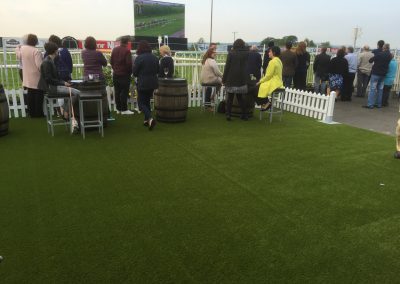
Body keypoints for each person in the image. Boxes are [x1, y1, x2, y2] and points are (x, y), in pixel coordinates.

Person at [38, 42, 80, 132]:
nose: (58, 52)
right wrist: (63, 83)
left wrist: (64, 82)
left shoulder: (50, 60)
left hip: (54, 86)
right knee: (77, 93)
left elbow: (53, 78)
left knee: (74, 93)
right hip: (52, 88)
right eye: (57, 50)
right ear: (55, 51)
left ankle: (65, 111)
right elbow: (48, 79)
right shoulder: (47, 62)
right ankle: (65, 111)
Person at [15, 34, 44, 117]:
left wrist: (18, 47)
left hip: (26, 75)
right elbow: (39, 65)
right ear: (35, 41)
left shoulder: (22, 49)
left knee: (30, 94)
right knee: (39, 95)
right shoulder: (36, 51)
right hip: (36, 76)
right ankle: (38, 113)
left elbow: (18, 55)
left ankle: (32, 113)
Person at [132, 40, 159, 130]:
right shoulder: (155, 58)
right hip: (153, 83)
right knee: (146, 101)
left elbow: (135, 73)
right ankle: (146, 121)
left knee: (141, 104)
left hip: (143, 83)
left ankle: (150, 118)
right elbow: (158, 70)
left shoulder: (139, 58)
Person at [222, 39, 249, 121]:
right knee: (240, 98)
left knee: (230, 98)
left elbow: (227, 67)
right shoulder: (247, 53)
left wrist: (224, 79)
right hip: (242, 79)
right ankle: (244, 115)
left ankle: (228, 115)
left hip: (231, 78)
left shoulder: (231, 53)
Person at [110, 35, 133, 115]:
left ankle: (118, 109)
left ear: (120, 42)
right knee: (124, 92)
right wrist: (129, 72)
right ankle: (124, 109)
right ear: (127, 43)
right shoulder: (127, 51)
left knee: (117, 91)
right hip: (124, 75)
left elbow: (111, 62)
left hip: (116, 74)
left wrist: (115, 69)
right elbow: (129, 64)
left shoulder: (115, 49)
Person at [364, 43, 392, 109]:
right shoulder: (389, 55)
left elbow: (370, 60)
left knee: (373, 89)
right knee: (380, 89)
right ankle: (378, 104)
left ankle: (370, 104)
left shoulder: (380, 54)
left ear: (384, 48)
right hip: (383, 74)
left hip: (376, 73)